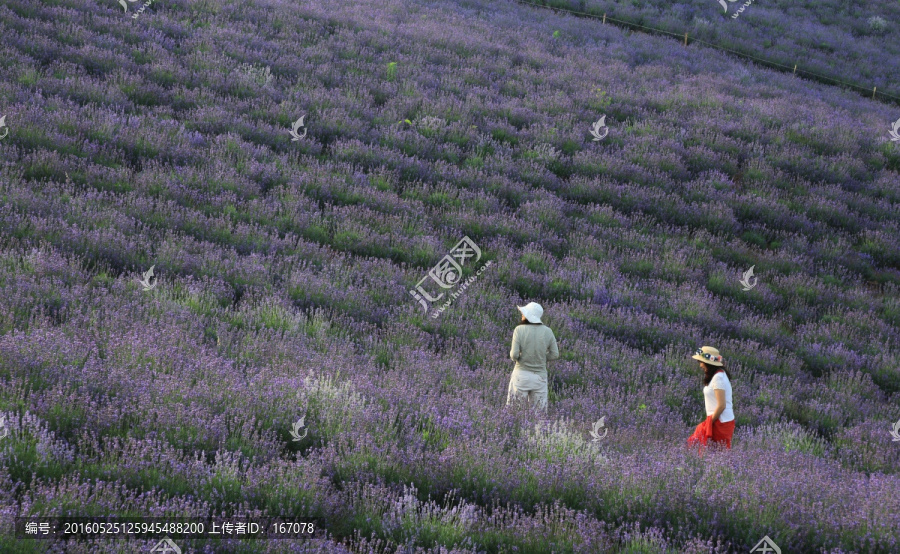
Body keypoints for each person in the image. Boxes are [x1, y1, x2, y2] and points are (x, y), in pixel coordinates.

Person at [506, 302, 559, 412]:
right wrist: (541, 358)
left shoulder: (519, 330)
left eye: (523, 313)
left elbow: (513, 355)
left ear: (528, 316)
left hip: (521, 375)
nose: (522, 315)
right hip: (540, 377)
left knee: (514, 412)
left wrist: (522, 358)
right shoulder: (548, 332)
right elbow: (555, 354)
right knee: (539, 415)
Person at [687, 346, 735, 450]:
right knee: (705, 450)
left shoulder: (718, 378)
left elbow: (722, 405)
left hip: (721, 422)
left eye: (701, 362)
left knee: (715, 454)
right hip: (718, 420)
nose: (700, 365)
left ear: (708, 363)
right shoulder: (718, 375)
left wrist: (709, 422)